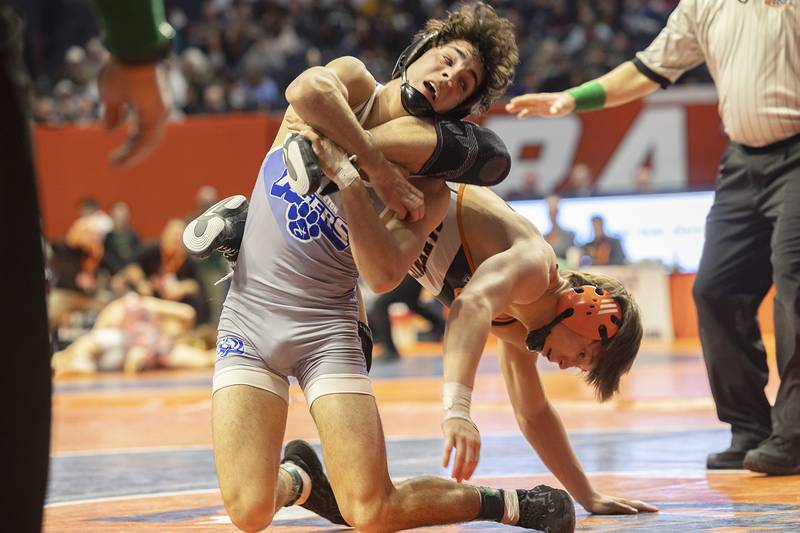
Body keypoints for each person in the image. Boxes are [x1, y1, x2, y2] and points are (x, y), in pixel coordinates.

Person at [186, 4, 581, 532]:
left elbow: (381, 276)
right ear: (417, 54)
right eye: (447, 61)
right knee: (250, 512)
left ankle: (510, 503)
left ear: (460, 108)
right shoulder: (353, 83)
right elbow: (303, 92)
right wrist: (374, 169)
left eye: (464, 83)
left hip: (326, 327)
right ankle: (299, 481)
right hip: (249, 314)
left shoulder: (428, 191)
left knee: (371, 511)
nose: (449, 78)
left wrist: (349, 180)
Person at [506, 0, 800, 474]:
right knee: (715, 290)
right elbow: (647, 69)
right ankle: (750, 429)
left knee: (796, 285)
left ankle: (796, 434)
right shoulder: (705, 5)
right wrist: (574, 98)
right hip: (743, 160)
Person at [1, 0, 172, 529]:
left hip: (90, 296)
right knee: (14, 336)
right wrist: (137, 46)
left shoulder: (91, 235)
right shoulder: (91, 232)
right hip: (83, 294)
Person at [51, 292, 214, 376]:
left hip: (121, 353)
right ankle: (77, 363)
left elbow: (187, 313)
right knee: (78, 350)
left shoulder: (167, 347)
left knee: (82, 349)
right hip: (117, 350)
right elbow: (187, 313)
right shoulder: (133, 308)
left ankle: (78, 363)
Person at [367, 274, 447, 361]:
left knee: (380, 305)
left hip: (410, 275)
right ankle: (445, 329)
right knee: (413, 305)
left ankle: (390, 350)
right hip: (415, 276)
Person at [543, 194, 577, 262]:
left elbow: (573, 258)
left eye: (554, 212)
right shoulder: (543, 237)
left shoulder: (569, 235)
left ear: (558, 213)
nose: (552, 216)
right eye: (550, 213)